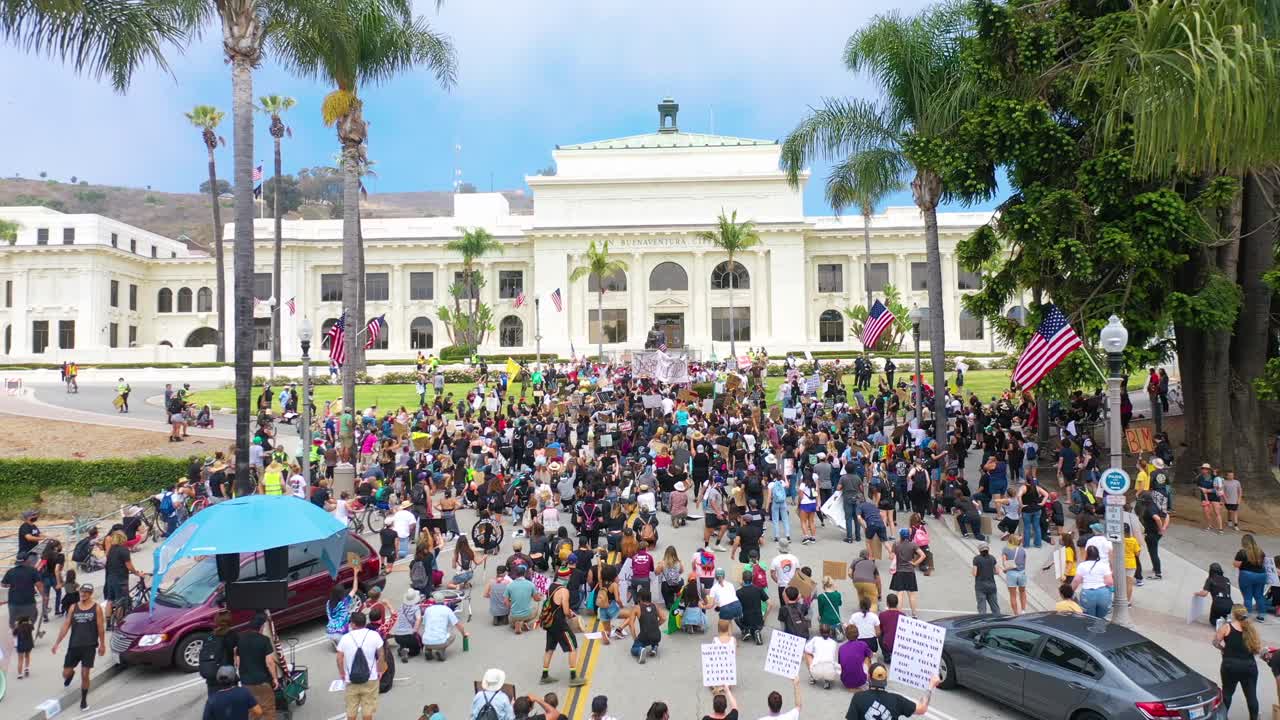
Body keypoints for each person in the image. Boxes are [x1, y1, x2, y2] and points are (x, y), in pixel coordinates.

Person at [51, 583, 105, 710]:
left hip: (89, 646)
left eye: (86, 592)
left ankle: (84, 700)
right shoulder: (73, 607)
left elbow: (100, 627)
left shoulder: (96, 608)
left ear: (91, 593)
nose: (83, 594)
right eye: (82, 591)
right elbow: (66, 625)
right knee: (65, 673)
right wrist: (57, 642)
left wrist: (102, 644)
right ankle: (70, 674)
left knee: (85, 674)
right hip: (74, 645)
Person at [1214, 605, 1261, 720]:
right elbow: (1256, 648)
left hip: (1230, 665)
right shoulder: (1251, 629)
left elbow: (1215, 642)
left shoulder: (1226, 627)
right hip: (1249, 665)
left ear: (1233, 614)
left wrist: (1223, 649)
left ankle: (1223, 717)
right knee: (1251, 696)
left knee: (1227, 693)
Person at [336, 612, 385, 720]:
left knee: (351, 708)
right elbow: (381, 654)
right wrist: (380, 670)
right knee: (367, 707)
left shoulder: (345, 638)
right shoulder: (374, 635)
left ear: (353, 624)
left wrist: (342, 673)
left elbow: (339, 658)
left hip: (351, 679)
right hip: (370, 677)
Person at [846, 664, 939, 719]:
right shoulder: (896, 700)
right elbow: (922, 709)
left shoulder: (858, 698)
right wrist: (930, 686)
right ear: (886, 679)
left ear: (869, 678)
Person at [540, 578, 585, 686]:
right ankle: (573, 677)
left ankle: (545, 675)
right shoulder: (564, 591)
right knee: (572, 646)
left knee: (549, 649)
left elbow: (555, 604)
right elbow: (565, 611)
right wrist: (571, 616)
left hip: (550, 623)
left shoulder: (551, 586)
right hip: (560, 624)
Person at [235, 614, 280, 720]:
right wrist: (275, 678)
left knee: (252, 711)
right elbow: (269, 662)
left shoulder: (240, 639)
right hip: (262, 681)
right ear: (261, 627)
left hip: (246, 683)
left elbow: (237, 662)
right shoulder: (264, 640)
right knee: (268, 710)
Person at [888, 528, 925, 617]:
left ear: (900, 535)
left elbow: (891, 557)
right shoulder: (913, 545)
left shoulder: (896, 544)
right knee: (911, 595)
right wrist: (915, 563)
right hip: (910, 571)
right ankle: (914, 614)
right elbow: (923, 555)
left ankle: (899, 614)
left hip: (899, 571)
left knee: (900, 594)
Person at [3, 552, 44, 631]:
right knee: (34, 615)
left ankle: (15, 637)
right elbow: (39, 585)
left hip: (14, 603)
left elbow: (3, 584)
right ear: (27, 560)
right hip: (29, 602)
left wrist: (11, 584)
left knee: (13, 623)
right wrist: (44, 596)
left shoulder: (10, 571)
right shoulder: (32, 571)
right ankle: (30, 627)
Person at [1071, 546, 1113, 619]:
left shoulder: (1082, 565)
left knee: (1089, 618)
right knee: (1101, 618)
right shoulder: (1104, 565)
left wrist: (1071, 592)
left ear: (1087, 554)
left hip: (1087, 594)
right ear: (1097, 555)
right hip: (1103, 593)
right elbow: (1110, 582)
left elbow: (1076, 581)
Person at [1234, 534, 1269, 621]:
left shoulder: (1242, 552)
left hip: (1247, 575)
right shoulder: (1260, 551)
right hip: (1261, 575)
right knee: (1259, 595)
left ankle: (1246, 615)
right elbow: (1264, 563)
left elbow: (1236, 564)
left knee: (1247, 596)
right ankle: (1262, 615)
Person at [504, 565, 541, 634]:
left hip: (513, 615)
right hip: (527, 614)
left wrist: (511, 608)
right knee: (537, 610)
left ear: (515, 574)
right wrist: (539, 597)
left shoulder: (509, 585)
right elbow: (536, 599)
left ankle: (516, 624)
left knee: (512, 621)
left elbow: (505, 602)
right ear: (524, 573)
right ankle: (526, 624)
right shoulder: (531, 584)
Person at [804, 623, 841, 689]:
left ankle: (812, 677)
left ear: (820, 632)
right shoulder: (834, 642)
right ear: (829, 632)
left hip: (816, 671)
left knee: (807, 654)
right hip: (831, 672)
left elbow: (806, 649)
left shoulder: (815, 639)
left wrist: (814, 653)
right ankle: (827, 681)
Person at [838, 624, 874, 691]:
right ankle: (867, 680)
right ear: (858, 634)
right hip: (861, 681)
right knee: (868, 658)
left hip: (845, 682)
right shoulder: (863, 644)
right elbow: (871, 655)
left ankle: (851, 685)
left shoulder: (841, 648)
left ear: (846, 635)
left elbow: (841, 663)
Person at [392, 589, 424, 661]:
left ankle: (402, 649)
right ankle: (408, 651)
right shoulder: (416, 608)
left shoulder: (401, 606)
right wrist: (415, 631)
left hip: (397, 635)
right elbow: (418, 619)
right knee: (416, 650)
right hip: (409, 635)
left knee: (403, 643)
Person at [1000, 534, 1028, 616]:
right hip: (1022, 573)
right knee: (1022, 592)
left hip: (1011, 573)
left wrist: (1005, 570)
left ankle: (1016, 614)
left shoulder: (1005, 549)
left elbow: (1004, 563)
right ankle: (1023, 610)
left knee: (1013, 595)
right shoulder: (1023, 550)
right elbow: (1024, 564)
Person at [972, 542, 1000, 614]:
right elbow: (997, 571)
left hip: (980, 586)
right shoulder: (992, 558)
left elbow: (974, 573)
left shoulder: (976, 559)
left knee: (982, 607)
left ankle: (983, 622)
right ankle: (998, 621)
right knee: (995, 607)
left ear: (979, 550)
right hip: (992, 585)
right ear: (988, 549)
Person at [878, 593, 903, 663]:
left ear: (887, 603)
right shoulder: (902, 615)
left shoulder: (882, 615)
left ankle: (886, 655)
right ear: (897, 603)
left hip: (887, 643)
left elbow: (880, 630)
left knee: (880, 635)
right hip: (899, 644)